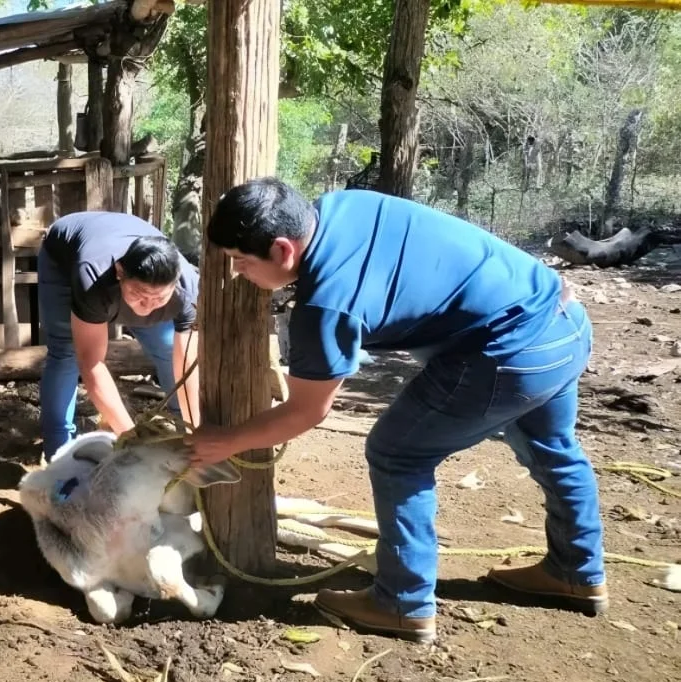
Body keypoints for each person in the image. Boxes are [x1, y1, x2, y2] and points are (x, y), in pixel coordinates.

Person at [187, 177, 605, 643]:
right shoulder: (345, 206)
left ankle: (402, 604)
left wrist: (226, 441)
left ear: (284, 250)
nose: (239, 274)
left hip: (508, 355)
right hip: (563, 321)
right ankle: (577, 571)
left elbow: (305, 412)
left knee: (397, 453)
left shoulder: (326, 303)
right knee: (553, 446)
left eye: (241, 263)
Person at [36, 210, 202, 463]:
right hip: (66, 258)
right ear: (119, 271)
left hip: (122, 264)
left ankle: (182, 427)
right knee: (65, 353)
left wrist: (196, 432)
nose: (147, 306)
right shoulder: (91, 275)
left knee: (167, 349)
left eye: (158, 297)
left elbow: (187, 364)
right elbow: (91, 363)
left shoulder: (186, 289)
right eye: (139, 294)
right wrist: (132, 440)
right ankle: (58, 450)